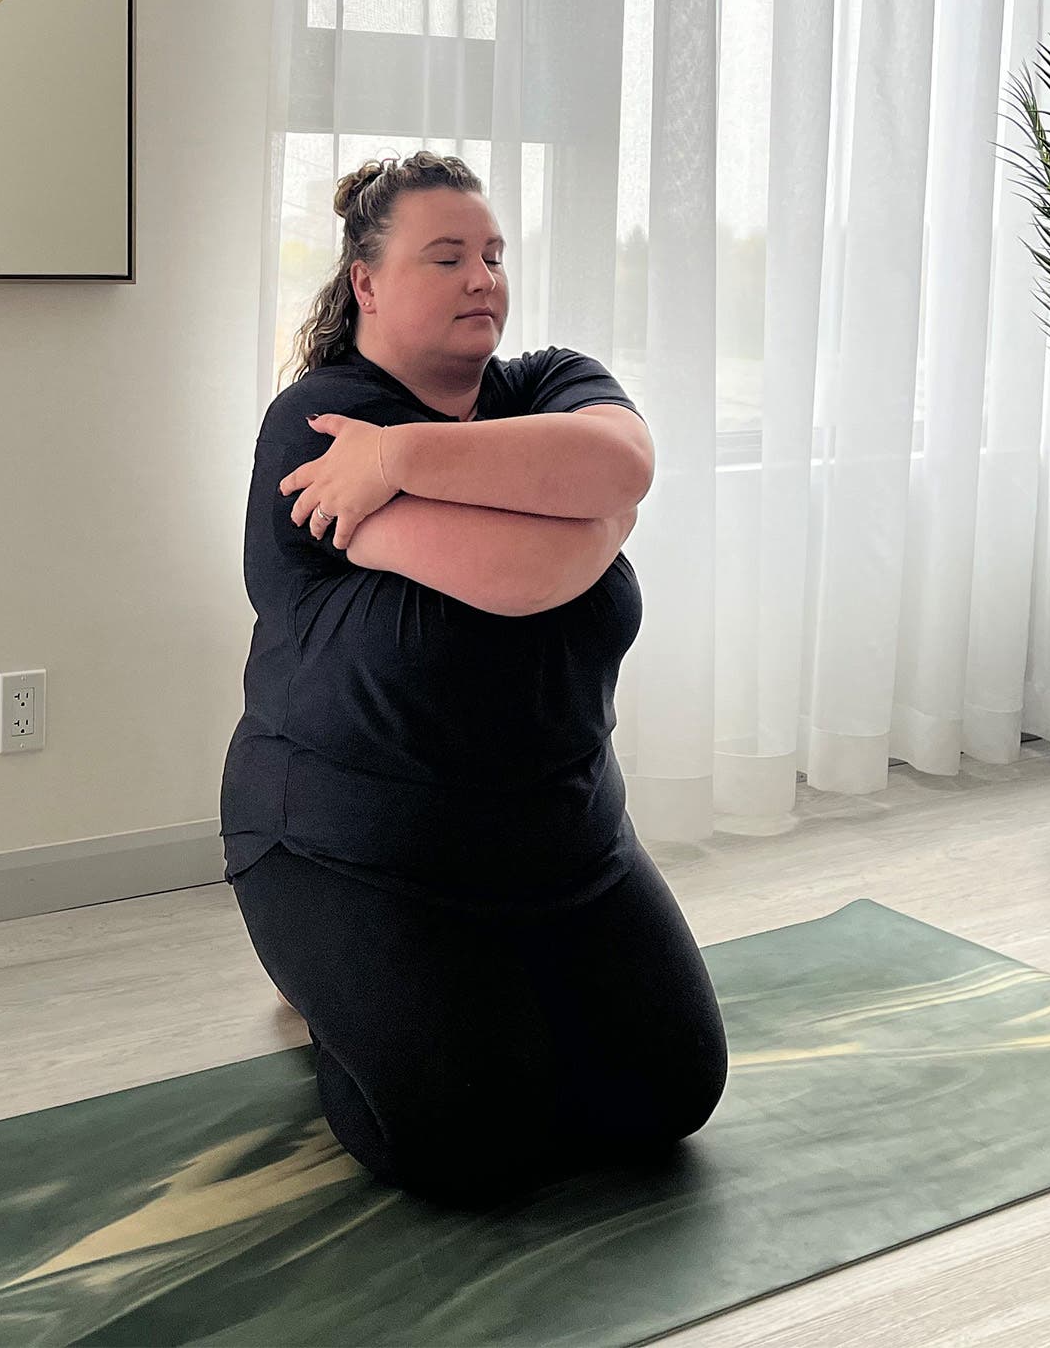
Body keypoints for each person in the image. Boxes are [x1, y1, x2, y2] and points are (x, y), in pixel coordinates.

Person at [221, 151, 729, 1208]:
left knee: (671, 1095)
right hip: (348, 844)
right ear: (366, 281)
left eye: (493, 254)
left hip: (564, 838)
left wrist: (401, 463)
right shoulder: (316, 424)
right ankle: (330, 1000)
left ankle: (471, 993)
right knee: (470, 1142)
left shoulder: (542, 381)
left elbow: (622, 467)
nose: (481, 278)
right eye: (445, 256)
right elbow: (523, 570)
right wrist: (583, 512)